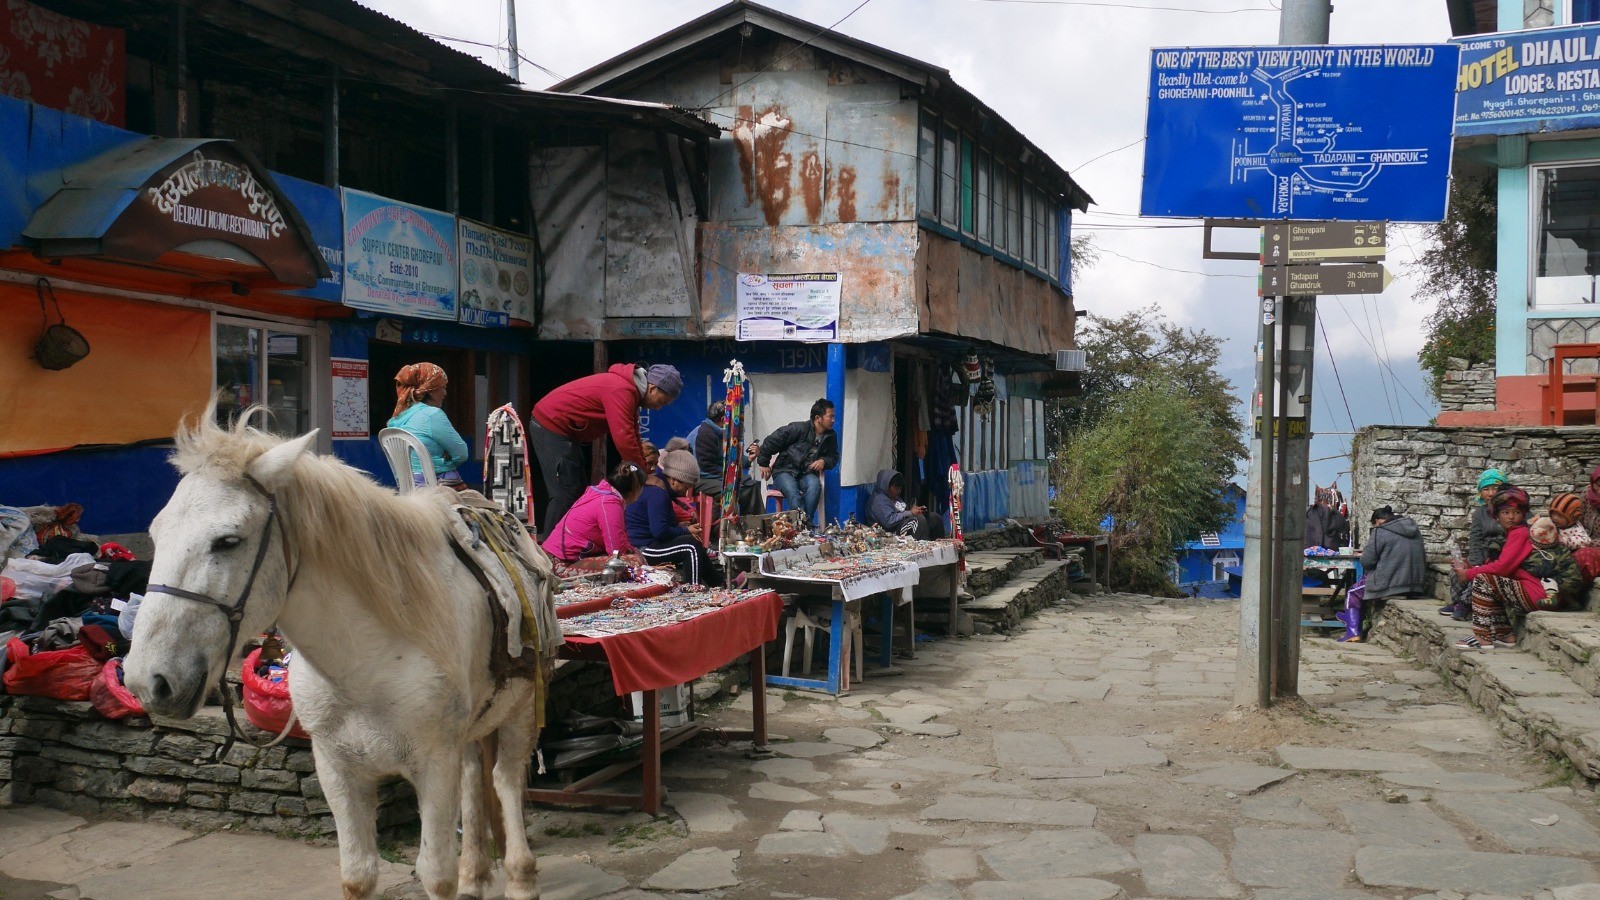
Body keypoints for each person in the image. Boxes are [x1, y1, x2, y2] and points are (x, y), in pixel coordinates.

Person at [529, 363, 682, 533]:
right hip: (551, 424)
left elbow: (634, 436)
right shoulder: (621, 390)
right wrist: (642, 477)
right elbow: (624, 438)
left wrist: (642, 472)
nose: (658, 407)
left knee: (579, 490)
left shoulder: (632, 394)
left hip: (568, 434)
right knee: (565, 491)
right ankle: (551, 545)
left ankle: (570, 539)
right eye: (661, 401)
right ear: (652, 388)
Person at [1451, 486, 1540, 651]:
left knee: (1483, 580)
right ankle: (1504, 633)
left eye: (1517, 512)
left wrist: (1469, 573)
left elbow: (1502, 568)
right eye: (1506, 512)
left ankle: (1482, 636)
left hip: (1535, 593)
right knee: (1491, 580)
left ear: (1523, 515)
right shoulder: (1512, 534)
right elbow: (1500, 566)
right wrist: (1469, 566)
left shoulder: (1520, 533)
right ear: (1497, 516)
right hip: (1530, 592)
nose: (1511, 517)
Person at [626, 449, 720, 585]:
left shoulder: (661, 490)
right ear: (674, 480)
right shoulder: (658, 494)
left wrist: (679, 527)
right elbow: (660, 532)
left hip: (650, 543)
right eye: (687, 486)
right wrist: (686, 530)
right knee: (690, 546)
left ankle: (718, 583)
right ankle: (693, 589)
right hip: (643, 548)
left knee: (693, 543)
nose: (687, 491)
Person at [387, 362, 470, 490]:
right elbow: (462, 454)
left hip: (408, 488)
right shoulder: (432, 415)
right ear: (430, 390)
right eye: (443, 387)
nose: (445, 393)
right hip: (434, 485)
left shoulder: (395, 420)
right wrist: (444, 463)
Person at [541, 463, 646, 563]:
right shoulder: (609, 503)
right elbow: (616, 551)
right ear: (636, 488)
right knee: (633, 561)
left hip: (556, 554)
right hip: (562, 560)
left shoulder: (601, 491)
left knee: (634, 555)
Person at [758, 398, 839, 526]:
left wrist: (824, 461)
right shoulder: (798, 428)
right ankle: (804, 526)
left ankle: (801, 526)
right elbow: (772, 441)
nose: (833, 420)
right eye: (830, 416)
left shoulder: (831, 436)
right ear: (818, 418)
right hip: (784, 470)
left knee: (814, 487)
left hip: (807, 473)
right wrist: (763, 463)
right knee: (793, 493)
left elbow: (834, 456)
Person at [1445, 468, 1511, 619]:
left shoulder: (1511, 511)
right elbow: (1475, 540)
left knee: (1481, 574)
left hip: (1502, 555)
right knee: (1458, 569)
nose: (1491, 493)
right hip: (1483, 554)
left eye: (1495, 488)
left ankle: (1465, 604)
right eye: (1486, 489)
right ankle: (1457, 601)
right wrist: (1474, 562)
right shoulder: (1479, 513)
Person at [1361, 506, 1425, 602]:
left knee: (1352, 592)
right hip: (1415, 586)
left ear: (1377, 521)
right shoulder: (1415, 529)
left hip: (1389, 586)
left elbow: (1367, 562)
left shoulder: (1379, 531)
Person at [868, 468, 945, 540]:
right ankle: (923, 548)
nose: (899, 491)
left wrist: (916, 512)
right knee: (917, 521)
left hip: (900, 525)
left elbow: (903, 511)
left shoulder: (894, 497)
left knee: (934, 518)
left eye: (900, 488)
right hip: (890, 531)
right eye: (896, 488)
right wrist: (911, 513)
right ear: (886, 486)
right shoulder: (878, 500)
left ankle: (940, 547)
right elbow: (889, 522)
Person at [1304, 484, 1349, 550]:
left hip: (1310, 552)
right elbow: (1344, 536)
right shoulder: (1337, 515)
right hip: (1333, 552)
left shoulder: (1309, 513)